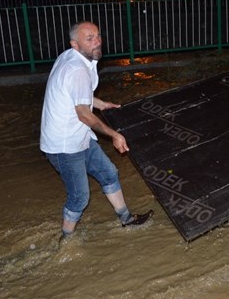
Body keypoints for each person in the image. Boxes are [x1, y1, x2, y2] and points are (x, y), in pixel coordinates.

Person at [40, 21, 153, 239]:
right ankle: (66, 241)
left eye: (98, 36)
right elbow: (83, 114)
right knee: (80, 197)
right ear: (75, 44)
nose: (97, 42)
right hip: (64, 145)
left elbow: (76, 96)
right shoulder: (77, 69)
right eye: (89, 39)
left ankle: (126, 219)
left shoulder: (70, 58)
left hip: (79, 136)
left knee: (109, 174)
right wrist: (114, 134)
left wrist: (101, 105)